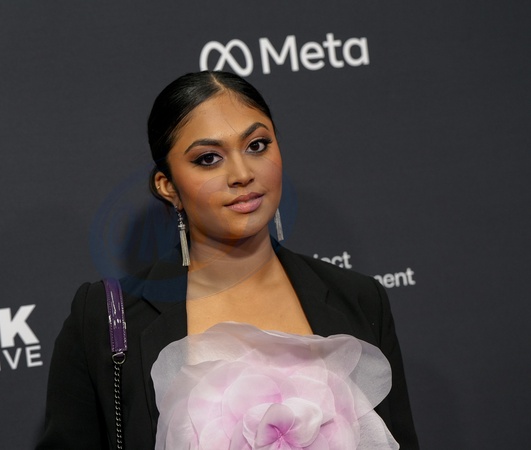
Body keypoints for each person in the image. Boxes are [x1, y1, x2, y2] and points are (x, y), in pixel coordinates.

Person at [37, 71, 419, 449]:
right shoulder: (105, 319)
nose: (242, 174)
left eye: (257, 145)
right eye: (208, 159)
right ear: (168, 186)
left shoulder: (359, 298)